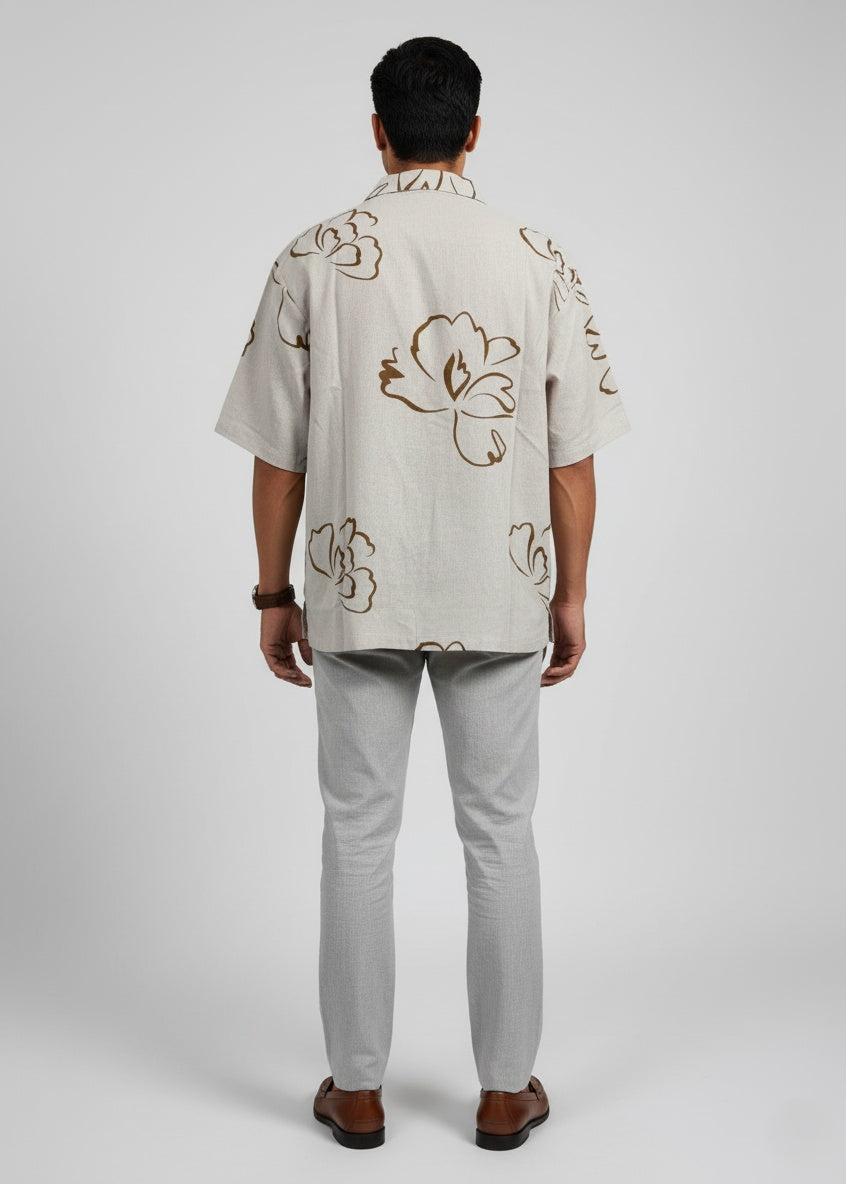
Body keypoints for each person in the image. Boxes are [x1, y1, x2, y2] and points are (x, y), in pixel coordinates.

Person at [214, 34, 631, 1151]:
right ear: (475, 131)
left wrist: (272, 591)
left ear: (379, 131)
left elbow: (278, 457)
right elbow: (573, 458)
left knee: (357, 832)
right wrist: (573, 593)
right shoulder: (536, 256)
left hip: (356, 583)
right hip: (501, 582)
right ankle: (503, 1091)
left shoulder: (313, 257)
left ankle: (356, 1091)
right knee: (500, 833)